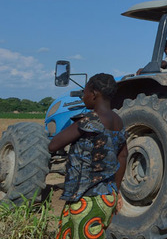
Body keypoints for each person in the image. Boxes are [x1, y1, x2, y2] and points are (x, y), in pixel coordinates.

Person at [48, 73, 127, 239]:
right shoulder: (118, 121)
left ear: (94, 94)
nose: (83, 96)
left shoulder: (90, 120)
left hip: (86, 199)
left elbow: (53, 145)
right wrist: (116, 191)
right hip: (106, 198)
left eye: (85, 92)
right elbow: (123, 156)